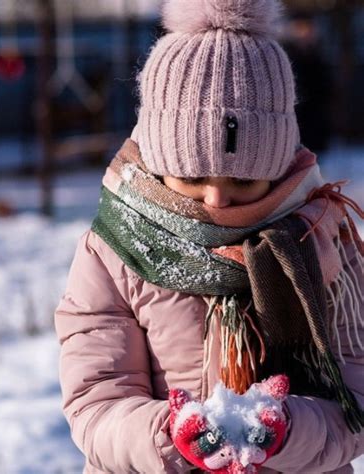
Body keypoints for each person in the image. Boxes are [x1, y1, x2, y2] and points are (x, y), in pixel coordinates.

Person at [55, 0, 364, 472]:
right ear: (159, 163)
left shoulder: (322, 238)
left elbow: (355, 396)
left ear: (279, 167)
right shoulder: (112, 251)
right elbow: (97, 401)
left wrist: (287, 431)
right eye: (193, 178)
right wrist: (169, 437)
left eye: (244, 181)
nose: (217, 199)